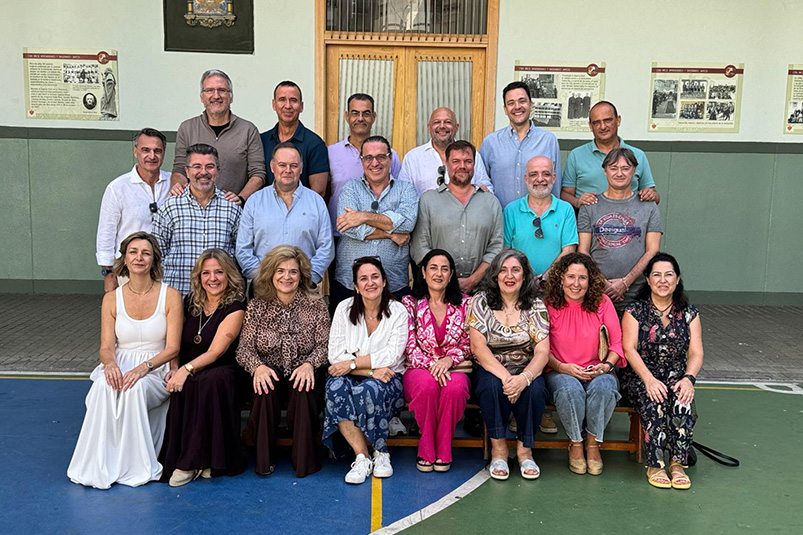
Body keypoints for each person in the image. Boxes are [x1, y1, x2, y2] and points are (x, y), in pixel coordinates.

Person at [67, 232, 183, 489]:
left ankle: (134, 466)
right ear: (125, 258)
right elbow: (106, 347)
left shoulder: (171, 296)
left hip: (154, 367)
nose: (139, 258)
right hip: (120, 364)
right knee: (102, 386)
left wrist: (143, 368)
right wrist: (110, 365)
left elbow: (173, 347)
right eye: (133, 252)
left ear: (154, 260)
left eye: (145, 253)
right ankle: (98, 464)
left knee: (134, 389)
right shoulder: (111, 298)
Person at [237, 246, 331, 477]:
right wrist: (257, 367)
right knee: (265, 387)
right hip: (269, 369)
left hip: (304, 368)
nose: (286, 277)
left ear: (301, 276)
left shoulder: (316, 305)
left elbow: (326, 346)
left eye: (293, 272)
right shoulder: (257, 306)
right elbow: (244, 349)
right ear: (271, 273)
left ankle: (304, 462)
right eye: (280, 271)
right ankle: (264, 461)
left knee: (303, 387)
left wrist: (310, 364)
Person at [158, 249, 247, 486]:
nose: (212, 278)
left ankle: (191, 463)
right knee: (186, 384)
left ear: (229, 275)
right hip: (191, 368)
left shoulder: (236, 306)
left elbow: (216, 352)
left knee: (207, 381)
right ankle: (202, 459)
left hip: (225, 369)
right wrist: (174, 367)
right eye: (206, 273)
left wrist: (185, 370)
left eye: (219, 272)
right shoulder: (189, 302)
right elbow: (174, 342)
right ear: (199, 276)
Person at [620, 253, 703, 490]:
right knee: (654, 399)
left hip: (676, 376)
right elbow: (629, 349)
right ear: (648, 280)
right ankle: (655, 464)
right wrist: (649, 379)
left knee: (683, 400)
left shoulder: (689, 313)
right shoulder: (635, 311)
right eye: (657, 275)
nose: (663, 280)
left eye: (669, 275)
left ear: (677, 279)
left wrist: (688, 379)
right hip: (640, 376)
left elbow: (696, 353)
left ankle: (677, 463)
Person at [324, 256, 408, 484]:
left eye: (375, 277)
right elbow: (335, 356)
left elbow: (392, 356)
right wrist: (369, 371)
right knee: (336, 388)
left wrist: (352, 364)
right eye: (363, 279)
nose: (370, 283)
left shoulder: (398, 311)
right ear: (355, 285)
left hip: (389, 379)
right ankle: (362, 457)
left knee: (369, 389)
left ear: (384, 281)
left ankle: (381, 453)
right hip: (365, 375)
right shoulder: (344, 309)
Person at [468, 249, 550, 480]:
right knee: (491, 387)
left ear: (525, 275)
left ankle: (525, 451)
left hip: (526, 367)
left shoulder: (535, 305)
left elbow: (542, 351)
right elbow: (478, 347)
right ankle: (499, 451)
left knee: (536, 390)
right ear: (495, 275)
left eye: (515, 270)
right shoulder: (480, 301)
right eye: (503, 270)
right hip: (491, 367)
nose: (509, 276)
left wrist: (524, 378)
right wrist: (507, 379)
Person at [542, 253, 626, 475]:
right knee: (570, 390)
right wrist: (562, 367)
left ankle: (593, 443)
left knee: (605, 387)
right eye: (571, 276)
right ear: (561, 278)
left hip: (598, 369)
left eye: (582, 278)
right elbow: (541, 348)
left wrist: (606, 366)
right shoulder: (548, 304)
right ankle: (576, 443)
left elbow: (617, 343)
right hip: (560, 370)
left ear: (591, 280)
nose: (576, 284)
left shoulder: (602, 302)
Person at [402, 249, 471, 472]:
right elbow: (409, 346)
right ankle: (426, 446)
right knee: (427, 386)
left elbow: (470, 343)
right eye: (433, 268)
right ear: (423, 272)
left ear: (451, 275)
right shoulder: (410, 303)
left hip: (455, 367)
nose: (438, 274)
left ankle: (443, 448)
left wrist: (449, 360)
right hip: (419, 368)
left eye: (444, 269)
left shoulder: (466, 304)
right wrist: (434, 365)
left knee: (455, 388)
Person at [332, 135, 418, 313]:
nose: (375, 163)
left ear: (390, 158)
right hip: (350, 283)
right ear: (362, 160)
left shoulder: (406, 189)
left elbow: (407, 223)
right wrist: (390, 233)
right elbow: (348, 229)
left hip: (394, 283)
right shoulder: (350, 189)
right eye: (368, 158)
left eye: (381, 157)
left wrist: (362, 216)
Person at [411, 140, 503, 295]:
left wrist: (473, 280)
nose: (462, 166)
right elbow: (420, 248)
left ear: (474, 164)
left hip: (481, 291)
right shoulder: (428, 201)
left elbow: (496, 247)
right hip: (438, 293)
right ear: (446, 164)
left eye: (468, 161)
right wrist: (446, 279)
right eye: (456, 161)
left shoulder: (491, 202)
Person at [578, 147, 662, 314]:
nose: (619, 173)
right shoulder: (589, 206)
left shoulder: (649, 206)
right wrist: (602, 283)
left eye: (625, 168)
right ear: (605, 171)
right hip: (596, 292)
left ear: (634, 171)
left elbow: (652, 250)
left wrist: (625, 282)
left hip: (637, 293)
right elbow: (583, 250)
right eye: (613, 168)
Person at [235, 142, 334, 285]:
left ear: (301, 168)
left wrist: (308, 278)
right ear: (272, 166)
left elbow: (326, 248)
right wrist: (262, 278)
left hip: (304, 287)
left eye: (293, 165)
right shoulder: (255, 201)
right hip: (263, 287)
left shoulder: (316, 202)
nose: (288, 170)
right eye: (282, 165)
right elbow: (243, 248)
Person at [154, 143, 242, 295]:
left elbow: (240, 254)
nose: (203, 172)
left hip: (220, 299)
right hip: (179, 295)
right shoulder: (170, 207)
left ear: (218, 171)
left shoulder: (232, 208)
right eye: (197, 167)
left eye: (210, 167)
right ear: (187, 171)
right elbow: (157, 253)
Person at [171, 69, 266, 206]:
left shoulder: (248, 130)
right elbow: (179, 169)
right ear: (201, 97)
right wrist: (177, 185)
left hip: (234, 210)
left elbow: (258, 173)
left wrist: (241, 198)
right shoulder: (187, 128)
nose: (216, 96)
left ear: (231, 97)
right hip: (193, 210)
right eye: (209, 90)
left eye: (222, 90)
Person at [97, 128, 171, 293]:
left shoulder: (173, 184)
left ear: (164, 153)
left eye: (157, 151)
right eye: (145, 150)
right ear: (135, 152)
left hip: (166, 270)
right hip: (129, 271)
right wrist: (108, 274)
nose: (152, 156)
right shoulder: (117, 188)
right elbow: (106, 234)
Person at [327, 93, 402, 237]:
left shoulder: (389, 156)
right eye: (355, 113)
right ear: (347, 116)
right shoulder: (331, 153)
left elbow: (398, 193)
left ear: (373, 117)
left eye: (366, 114)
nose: (360, 118)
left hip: (383, 236)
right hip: (341, 234)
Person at [561, 101, 659, 209]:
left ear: (618, 120)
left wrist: (651, 195)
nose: (603, 127)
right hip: (588, 217)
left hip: (629, 217)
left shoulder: (638, 155)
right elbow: (565, 194)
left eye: (607, 120)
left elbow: (654, 195)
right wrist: (577, 202)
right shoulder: (576, 155)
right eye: (596, 123)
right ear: (590, 126)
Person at [479, 81, 561, 208]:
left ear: (531, 105)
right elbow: (482, 183)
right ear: (505, 109)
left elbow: (555, 185)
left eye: (522, 101)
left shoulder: (548, 140)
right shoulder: (490, 143)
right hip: (501, 217)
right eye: (511, 103)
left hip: (539, 217)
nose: (517, 107)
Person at [503, 155, 577, 279]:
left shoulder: (566, 209)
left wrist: (545, 279)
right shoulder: (511, 210)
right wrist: (525, 281)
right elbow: (505, 251)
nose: (540, 179)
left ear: (554, 178)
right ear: (526, 179)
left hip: (554, 283)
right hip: (519, 283)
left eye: (546, 174)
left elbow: (569, 250)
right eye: (534, 174)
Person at [398, 107, 492, 196]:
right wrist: (426, 200)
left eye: (448, 122)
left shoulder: (471, 155)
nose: (442, 126)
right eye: (437, 122)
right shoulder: (412, 158)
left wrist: (479, 191)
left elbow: (487, 189)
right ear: (429, 127)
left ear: (456, 127)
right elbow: (402, 194)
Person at [261, 81, 329, 196]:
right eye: (282, 99)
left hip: (303, 207)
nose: (288, 106)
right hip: (265, 207)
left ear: (301, 106)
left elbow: (318, 193)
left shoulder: (315, 144)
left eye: (293, 100)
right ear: (274, 104)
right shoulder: (261, 141)